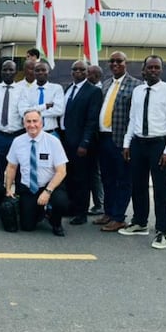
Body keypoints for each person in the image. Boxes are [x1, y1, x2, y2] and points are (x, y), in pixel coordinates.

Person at [120, 56, 166, 249]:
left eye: (157, 68)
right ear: (143, 70)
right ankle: (140, 222)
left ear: (161, 70)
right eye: (150, 67)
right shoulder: (138, 91)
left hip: (158, 144)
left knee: (161, 189)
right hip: (138, 143)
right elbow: (132, 119)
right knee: (137, 185)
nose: (153, 71)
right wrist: (126, 144)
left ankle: (163, 231)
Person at [3, 109, 69, 236]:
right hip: (28, 187)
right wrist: (9, 188)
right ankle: (39, 212)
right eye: (28, 121)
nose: (32, 125)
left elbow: (61, 171)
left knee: (61, 202)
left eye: (35, 121)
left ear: (42, 123)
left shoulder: (53, 141)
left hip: (49, 185)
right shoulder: (18, 141)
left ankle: (56, 222)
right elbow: (11, 167)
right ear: (24, 124)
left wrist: (47, 192)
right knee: (27, 226)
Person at [97, 51, 141, 232]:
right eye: (112, 61)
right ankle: (108, 212)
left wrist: (128, 143)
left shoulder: (136, 85)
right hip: (103, 137)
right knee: (107, 178)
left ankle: (118, 217)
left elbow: (135, 116)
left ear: (126, 63)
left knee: (123, 179)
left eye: (119, 61)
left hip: (122, 141)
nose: (115, 64)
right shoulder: (105, 84)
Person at [60, 61, 103, 225]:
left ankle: (81, 212)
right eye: (75, 69)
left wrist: (84, 143)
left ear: (87, 72)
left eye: (82, 69)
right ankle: (71, 207)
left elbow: (92, 120)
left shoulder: (93, 91)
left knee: (82, 179)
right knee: (69, 176)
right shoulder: (68, 88)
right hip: (66, 140)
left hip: (82, 144)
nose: (78, 72)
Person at [0, 60, 26, 183]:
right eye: (5, 69)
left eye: (11, 70)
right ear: (1, 72)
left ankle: (16, 198)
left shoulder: (22, 90)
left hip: (17, 135)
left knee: (18, 168)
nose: (7, 72)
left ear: (16, 72)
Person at [20, 61, 65, 134]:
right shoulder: (26, 91)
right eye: (37, 70)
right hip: (31, 133)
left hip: (51, 132)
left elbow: (59, 110)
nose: (40, 72)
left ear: (48, 72)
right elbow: (23, 112)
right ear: (34, 73)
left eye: (43, 70)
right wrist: (45, 106)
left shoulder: (56, 88)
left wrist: (33, 112)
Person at [86, 64, 105, 215]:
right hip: (89, 137)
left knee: (95, 173)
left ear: (97, 76)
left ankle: (100, 203)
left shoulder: (101, 90)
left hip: (98, 138)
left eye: (89, 74)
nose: (87, 76)